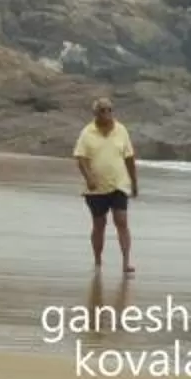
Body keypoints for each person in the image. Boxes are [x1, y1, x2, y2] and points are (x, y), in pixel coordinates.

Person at [73, 99, 140, 274]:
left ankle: (126, 262)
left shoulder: (121, 130)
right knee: (99, 224)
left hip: (119, 184)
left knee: (121, 221)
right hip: (95, 188)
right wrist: (88, 178)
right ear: (95, 113)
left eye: (110, 110)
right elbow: (80, 158)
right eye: (102, 110)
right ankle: (97, 261)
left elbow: (129, 158)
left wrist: (134, 182)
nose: (107, 113)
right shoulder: (87, 133)